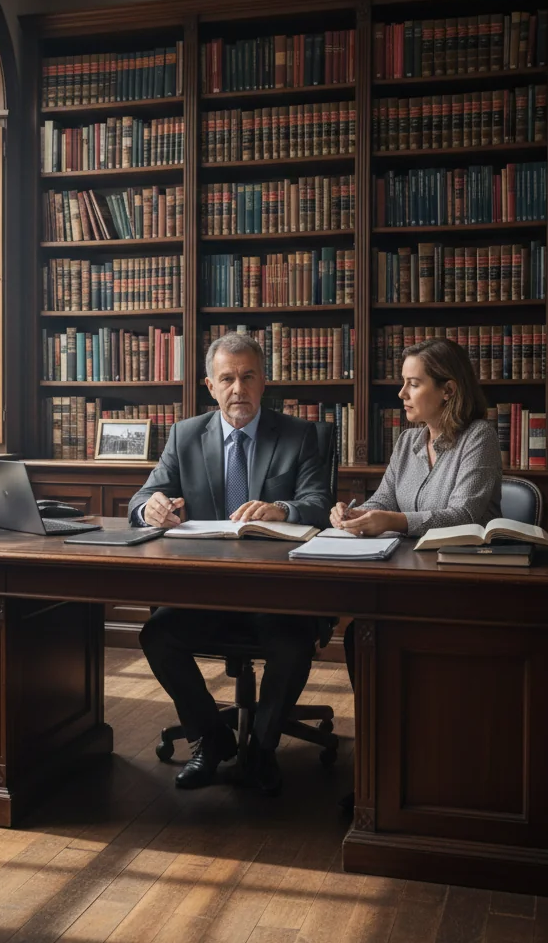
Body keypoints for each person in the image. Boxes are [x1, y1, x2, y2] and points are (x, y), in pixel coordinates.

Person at [130, 331, 331, 795]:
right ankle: (212, 738)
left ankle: (262, 749)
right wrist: (150, 508)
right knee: (157, 635)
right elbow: (143, 497)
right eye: (227, 379)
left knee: (292, 642)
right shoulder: (185, 435)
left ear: (264, 382)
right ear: (210, 385)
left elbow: (319, 503)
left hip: (277, 593)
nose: (238, 389)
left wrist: (283, 510)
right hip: (204, 591)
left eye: (248, 377)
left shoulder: (299, 435)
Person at [331, 336, 502, 684]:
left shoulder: (479, 437)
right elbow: (384, 499)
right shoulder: (408, 441)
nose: (401, 394)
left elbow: (464, 516)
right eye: (403, 383)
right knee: (360, 634)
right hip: (408, 575)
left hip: (461, 583)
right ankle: (377, 719)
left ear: (448, 390)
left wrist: (393, 521)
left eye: (413, 383)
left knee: (379, 635)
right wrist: (354, 514)